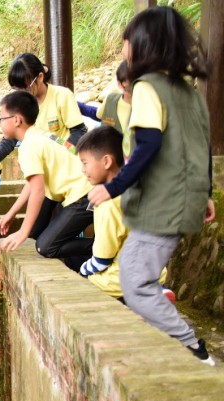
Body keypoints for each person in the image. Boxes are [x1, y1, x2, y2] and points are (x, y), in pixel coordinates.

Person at [87, 7, 215, 366]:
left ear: (142, 45)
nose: (124, 47)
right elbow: (200, 145)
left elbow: (147, 146)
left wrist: (112, 188)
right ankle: (170, 343)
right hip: (185, 198)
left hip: (162, 201)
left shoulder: (147, 87)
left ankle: (192, 349)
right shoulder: (188, 91)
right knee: (135, 270)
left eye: (127, 40)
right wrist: (204, 194)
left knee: (136, 283)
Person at [0, 91, 93, 269]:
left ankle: (105, 249)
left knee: (45, 246)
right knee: (47, 241)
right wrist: (12, 212)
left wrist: (23, 232)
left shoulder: (28, 147)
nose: (0, 123)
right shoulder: (39, 135)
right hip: (86, 190)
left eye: (1, 118)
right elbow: (32, 184)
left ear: (17, 120)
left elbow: (38, 192)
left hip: (83, 196)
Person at [76, 125, 173, 302]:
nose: (83, 170)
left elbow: (102, 259)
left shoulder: (106, 203)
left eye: (85, 163)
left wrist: (82, 270)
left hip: (121, 282)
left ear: (106, 161)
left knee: (85, 278)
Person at [0, 53, 87, 178]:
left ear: (40, 77)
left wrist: (61, 155)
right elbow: (10, 139)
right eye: (16, 89)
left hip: (65, 170)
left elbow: (79, 131)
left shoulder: (62, 95)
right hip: (41, 170)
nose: (21, 93)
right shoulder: (21, 103)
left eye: (25, 87)